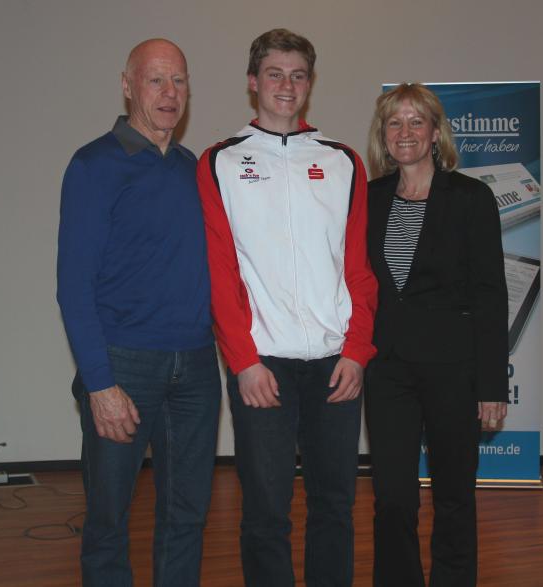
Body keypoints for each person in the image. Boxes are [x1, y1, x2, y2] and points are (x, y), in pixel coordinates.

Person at [196, 28, 377, 587]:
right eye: (275, 74)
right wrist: (244, 361)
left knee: (334, 507)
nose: (286, 85)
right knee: (265, 514)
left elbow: (358, 270)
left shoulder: (343, 161)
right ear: (253, 82)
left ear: (310, 83)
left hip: (336, 365)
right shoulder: (220, 161)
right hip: (263, 366)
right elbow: (220, 274)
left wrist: (357, 351)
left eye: (298, 75)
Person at [57, 39, 221, 587]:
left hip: (196, 367)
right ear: (128, 86)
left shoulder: (191, 167)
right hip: (123, 366)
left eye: (179, 80)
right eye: (155, 80)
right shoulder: (93, 165)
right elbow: (73, 287)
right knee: (108, 520)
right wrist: (100, 384)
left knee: (187, 517)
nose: (169, 93)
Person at [365, 83, 509, 587]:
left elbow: (491, 294)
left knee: (453, 496)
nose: (405, 131)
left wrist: (492, 385)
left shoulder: (471, 198)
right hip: (387, 372)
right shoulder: (368, 199)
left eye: (416, 121)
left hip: (454, 370)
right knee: (392, 498)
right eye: (394, 122)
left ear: (434, 133)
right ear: (384, 136)